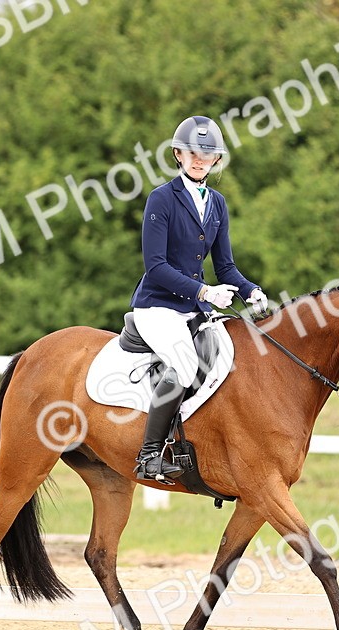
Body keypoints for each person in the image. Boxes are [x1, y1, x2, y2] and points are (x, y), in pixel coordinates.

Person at [130, 115, 269, 481]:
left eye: (206, 154)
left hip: (194, 309)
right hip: (157, 306)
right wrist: (204, 292)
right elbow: (155, 265)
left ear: (216, 160)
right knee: (185, 364)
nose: (199, 159)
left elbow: (226, 268)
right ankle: (148, 455)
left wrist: (250, 289)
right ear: (178, 154)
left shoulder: (217, 204)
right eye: (192, 152)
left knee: (231, 359)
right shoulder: (162, 199)